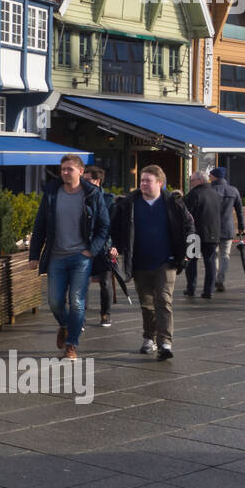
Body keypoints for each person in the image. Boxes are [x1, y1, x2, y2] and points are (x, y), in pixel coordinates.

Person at [28, 154, 111, 361]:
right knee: (54, 302)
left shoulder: (92, 194)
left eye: (69, 169)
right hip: (56, 255)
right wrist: (34, 255)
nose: (65, 172)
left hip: (81, 257)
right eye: (63, 169)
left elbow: (104, 226)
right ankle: (65, 325)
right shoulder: (52, 193)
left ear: (81, 171)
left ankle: (72, 345)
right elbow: (40, 226)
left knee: (76, 301)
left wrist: (91, 250)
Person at [110, 164, 196, 360]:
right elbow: (116, 229)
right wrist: (115, 245)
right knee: (147, 304)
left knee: (164, 301)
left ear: (160, 183)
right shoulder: (129, 204)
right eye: (141, 180)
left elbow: (190, 227)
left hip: (167, 261)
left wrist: (190, 254)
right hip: (140, 262)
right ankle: (149, 337)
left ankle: (166, 342)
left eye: (148, 180)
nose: (143, 184)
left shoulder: (174, 203)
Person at [84, 166, 116, 327]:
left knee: (105, 282)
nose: (83, 182)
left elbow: (115, 226)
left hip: (104, 248)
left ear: (97, 181)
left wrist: (114, 246)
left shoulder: (109, 200)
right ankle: (79, 317)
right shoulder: (79, 198)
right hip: (84, 247)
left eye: (87, 180)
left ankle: (106, 314)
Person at [183, 170, 222, 300]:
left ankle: (191, 288)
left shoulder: (194, 194)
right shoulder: (215, 193)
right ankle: (208, 290)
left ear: (199, 180)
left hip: (195, 233)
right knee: (210, 262)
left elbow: (186, 214)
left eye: (192, 180)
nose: (191, 182)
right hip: (213, 233)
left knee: (191, 261)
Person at [208, 166, 244, 292]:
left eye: (210, 175)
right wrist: (241, 226)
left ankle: (213, 278)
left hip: (212, 227)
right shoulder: (233, 190)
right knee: (225, 255)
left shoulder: (210, 190)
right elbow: (239, 210)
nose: (209, 177)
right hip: (228, 227)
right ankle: (221, 279)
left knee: (213, 255)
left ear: (215, 176)